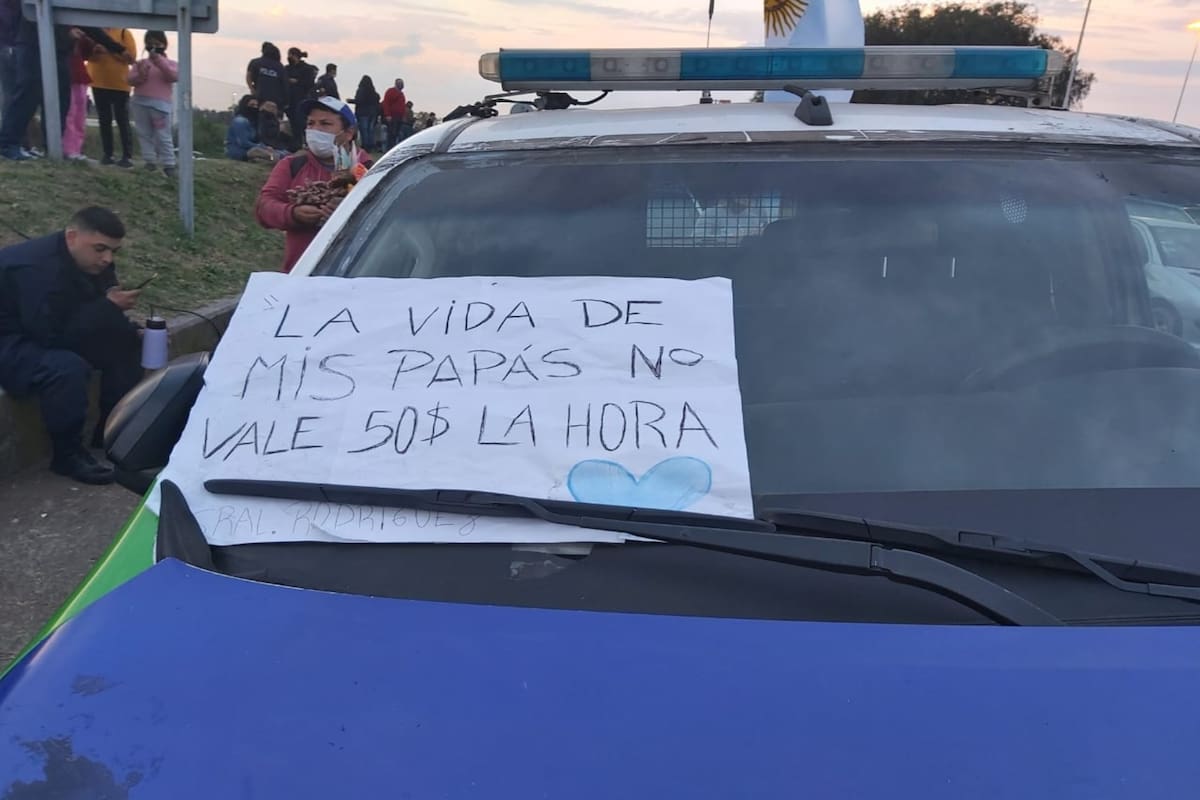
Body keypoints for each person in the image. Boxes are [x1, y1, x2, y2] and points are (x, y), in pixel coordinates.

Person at [0, 207, 143, 484]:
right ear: (72, 236)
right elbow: (49, 337)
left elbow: (90, 313)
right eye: (100, 249)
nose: (107, 259)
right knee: (65, 367)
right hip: (11, 339)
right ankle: (67, 455)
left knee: (124, 342)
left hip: (45, 332)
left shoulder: (90, 261)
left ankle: (112, 431)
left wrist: (131, 330)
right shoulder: (36, 270)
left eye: (114, 251)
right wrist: (106, 308)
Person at [255, 96, 371, 272]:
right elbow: (263, 207)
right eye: (310, 123)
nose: (315, 130)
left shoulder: (371, 170)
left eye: (325, 124)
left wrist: (350, 211)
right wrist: (293, 214)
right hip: (302, 274)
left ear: (348, 132)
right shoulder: (291, 165)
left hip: (357, 273)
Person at [126, 30, 178, 177]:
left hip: (160, 105)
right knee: (144, 133)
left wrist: (159, 61)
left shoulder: (171, 64)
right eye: (150, 44)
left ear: (164, 45)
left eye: (157, 44)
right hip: (140, 102)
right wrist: (141, 75)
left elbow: (173, 76)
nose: (153, 47)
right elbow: (129, 79)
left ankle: (169, 163)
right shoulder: (140, 64)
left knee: (163, 135)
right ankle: (150, 161)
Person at [86, 27, 136, 167]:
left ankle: (127, 155)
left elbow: (131, 57)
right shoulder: (93, 32)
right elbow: (86, 54)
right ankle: (108, 154)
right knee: (104, 120)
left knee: (122, 119)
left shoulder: (124, 33)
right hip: (98, 82)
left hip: (120, 84)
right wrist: (95, 51)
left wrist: (109, 50)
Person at [61, 36, 92, 162]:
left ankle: (76, 149)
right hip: (67, 74)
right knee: (70, 113)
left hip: (80, 75)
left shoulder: (82, 33)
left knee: (80, 115)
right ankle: (68, 149)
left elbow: (87, 52)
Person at [225, 94, 278, 162]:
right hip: (238, 151)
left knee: (277, 151)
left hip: (253, 149)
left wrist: (265, 147)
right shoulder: (240, 121)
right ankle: (274, 159)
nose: (255, 108)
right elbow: (243, 143)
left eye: (256, 105)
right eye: (252, 105)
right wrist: (262, 147)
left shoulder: (253, 122)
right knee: (259, 152)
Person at [285, 47, 317, 149]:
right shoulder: (286, 69)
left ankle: (307, 144)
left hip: (301, 99)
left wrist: (297, 82)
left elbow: (310, 84)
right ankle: (296, 145)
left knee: (302, 123)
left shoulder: (307, 69)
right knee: (293, 124)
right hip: (290, 100)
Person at [248, 42, 288, 112]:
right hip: (276, 100)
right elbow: (285, 85)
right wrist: (286, 102)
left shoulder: (255, 62)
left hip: (259, 96)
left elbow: (249, 77)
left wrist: (252, 89)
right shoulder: (279, 66)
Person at [350, 76, 380, 151]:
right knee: (370, 130)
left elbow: (359, 100)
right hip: (372, 113)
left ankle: (365, 145)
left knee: (364, 130)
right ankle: (371, 145)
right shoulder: (374, 92)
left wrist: (351, 101)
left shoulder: (361, 90)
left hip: (363, 112)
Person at [381, 78, 406, 149]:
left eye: (402, 83)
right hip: (393, 116)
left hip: (399, 117)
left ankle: (393, 147)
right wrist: (388, 115)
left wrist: (403, 116)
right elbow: (386, 103)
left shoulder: (401, 94)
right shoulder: (390, 91)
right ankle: (389, 148)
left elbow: (402, 106)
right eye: (400, 83)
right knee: (392, 134)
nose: (401, 85)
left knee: (396, 134)